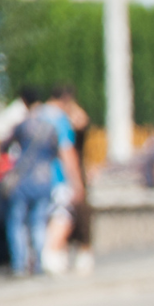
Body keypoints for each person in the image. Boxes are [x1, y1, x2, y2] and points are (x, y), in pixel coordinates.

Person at [4, 86, 83, 277]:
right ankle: (40, 262)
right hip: (47, 179)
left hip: (22, 181)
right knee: (40, 222)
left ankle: (19, 265)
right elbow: (66, 151)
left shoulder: (22, 124)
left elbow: (3, 146)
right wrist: (77, 182)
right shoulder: (56, 121)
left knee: (17, 222)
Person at [50, 85, 95, 274]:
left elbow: (82, 121)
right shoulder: (56, 120)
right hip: (65, 174)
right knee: (67, 215)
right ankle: (62, 252)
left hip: (73, 172)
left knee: (79, 214)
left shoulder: (64, 119)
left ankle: (81, 253)